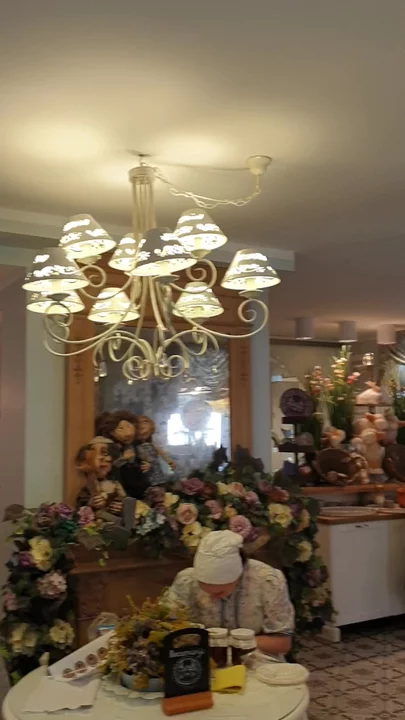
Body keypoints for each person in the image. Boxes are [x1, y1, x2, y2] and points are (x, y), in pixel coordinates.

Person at [167, 530, 294, 656]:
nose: (212, 598)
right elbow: (168, 628)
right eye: (205, 590)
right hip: (201, 658)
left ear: (237, 577)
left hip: (258, 658)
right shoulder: (187, 581)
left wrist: (229, 643)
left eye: (219, 592)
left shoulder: (267, 581)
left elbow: (282, 643)